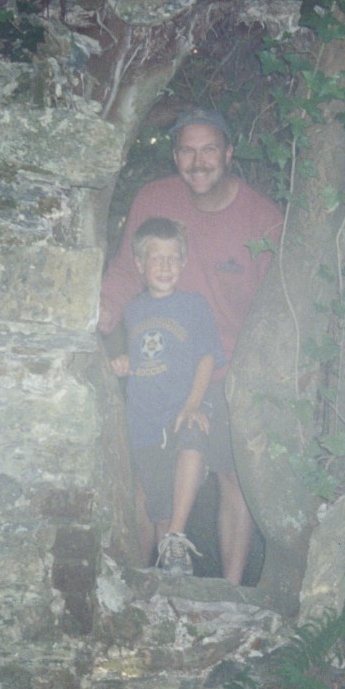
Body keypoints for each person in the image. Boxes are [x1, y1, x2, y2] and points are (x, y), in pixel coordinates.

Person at [100, 108, 284, 585]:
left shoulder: (262, 218)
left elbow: (279, 308)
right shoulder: (154, 198)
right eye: (186, 149)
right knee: (147, 484)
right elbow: (126, 268)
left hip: (226, 375)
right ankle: (143, 585)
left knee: (232, 479)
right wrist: (99, 316)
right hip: (158, 373)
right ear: (175, 154)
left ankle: (230, 588)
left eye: (208, 149)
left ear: (228, 153)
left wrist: (267, 377)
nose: (197, 161)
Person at [110, 216, 225, 576]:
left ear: (183, 262)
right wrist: (122, 362)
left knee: (192, 434)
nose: (164, 266)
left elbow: (208, 356)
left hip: (182, 406)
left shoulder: (194, 305)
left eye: (172, 258)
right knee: (156, 503)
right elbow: (127, 356)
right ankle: (167, 569)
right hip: (144, 421)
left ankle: (177, 534)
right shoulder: (131, 311)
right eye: (155, 259)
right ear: (140, 266)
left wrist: (193, 402)